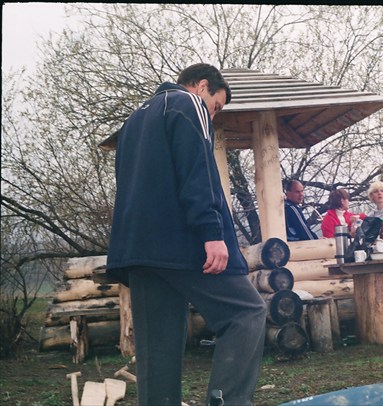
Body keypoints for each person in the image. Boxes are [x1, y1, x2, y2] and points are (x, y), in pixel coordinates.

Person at [106, 63, 266, 406]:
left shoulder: (134, 120)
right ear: (202, 86)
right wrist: (211, 232)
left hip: (137, 250)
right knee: (246, 313)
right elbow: (196, 169)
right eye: (216, 106)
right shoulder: (186, 103)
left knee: (157, 349)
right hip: (181, 241)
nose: (213, 114)